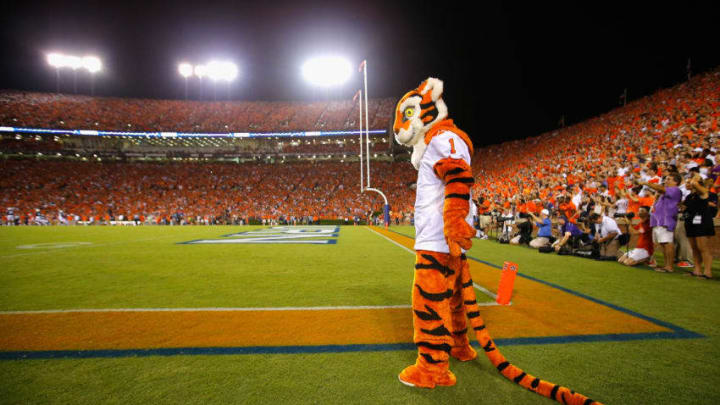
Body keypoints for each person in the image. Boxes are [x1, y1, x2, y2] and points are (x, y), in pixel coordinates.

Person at [640, 173, 683, 273]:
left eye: (669, 179)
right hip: (659, 220)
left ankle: (669, 266)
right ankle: (666, 265)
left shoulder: (675, 190)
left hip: (666, 220)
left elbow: (660, 188)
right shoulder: (664, 193)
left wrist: (646, 183)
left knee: (667, 243)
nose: (666, 181)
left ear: (676, 182)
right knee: (663, 243)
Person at [683, 172, 715, 279]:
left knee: (703, 248)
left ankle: (707, 272)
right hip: (691, 222)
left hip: (702, 223)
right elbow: (685, 208)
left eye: (689, 182)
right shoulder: (689, 196)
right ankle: (697, 270)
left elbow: (699, 188)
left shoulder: (703, 192)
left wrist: (695, 180)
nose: (687, 184)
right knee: (695, 248)